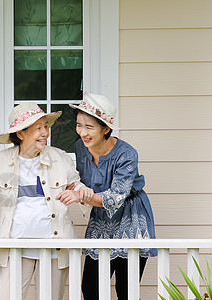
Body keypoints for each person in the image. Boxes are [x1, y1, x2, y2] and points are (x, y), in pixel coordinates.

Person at [0, 102, 85, 300]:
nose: (45, 133)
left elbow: (77, 186)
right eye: (37, 128)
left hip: (55, 247)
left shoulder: (60, 158)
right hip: (16, 246)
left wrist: (81, 192)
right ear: (21, 134)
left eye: (46, 127)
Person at [57, 93, 157, 299]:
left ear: (106, 129)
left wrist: (80, 196)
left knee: (125, 290)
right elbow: (77, 179)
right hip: (101, 220)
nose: (82, 132)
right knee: (91, 288)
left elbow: (116, 197)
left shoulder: (127, 153)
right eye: (79, 125)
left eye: (89, 127)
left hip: (130, 217)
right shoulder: (80, 148)